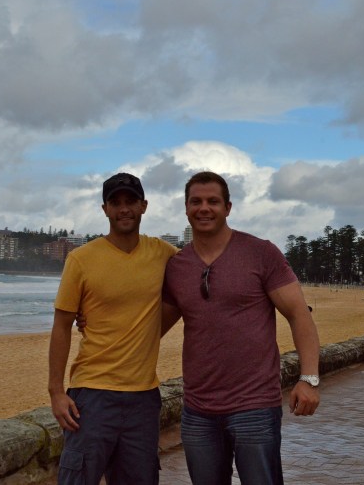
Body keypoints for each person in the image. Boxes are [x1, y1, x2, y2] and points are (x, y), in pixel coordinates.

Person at [162, 171, 321, 485]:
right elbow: (151, 328)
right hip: (198, 409)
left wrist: (309, 378)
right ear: (186, 208)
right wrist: (92, 321)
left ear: (228, 207)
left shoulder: (260, 253)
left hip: (255, 406)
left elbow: (299, 315)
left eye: (213, 201)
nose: (204, 208)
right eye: (196, 201)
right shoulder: (178, 266)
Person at [48, 172, 178, 484]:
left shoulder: (163, 254)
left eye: (130, 201)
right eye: (115, 202)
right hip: (92, 395)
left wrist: (150, 331)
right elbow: (62, 325)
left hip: (144, 398)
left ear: (144, 206)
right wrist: (55, 391)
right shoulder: (81, 259)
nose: (124, 209)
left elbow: (195, 287)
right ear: (104, 209)